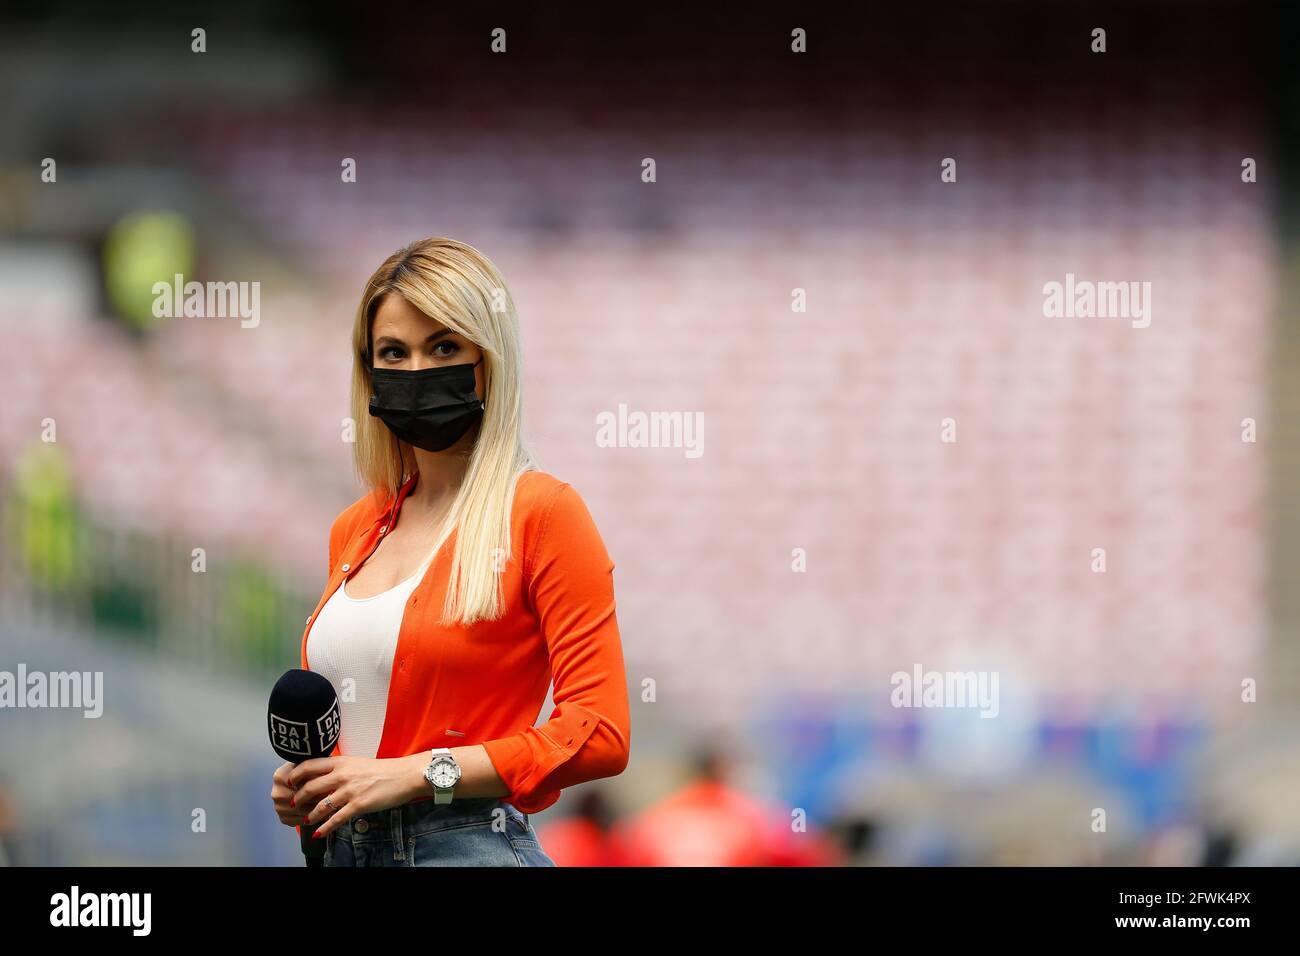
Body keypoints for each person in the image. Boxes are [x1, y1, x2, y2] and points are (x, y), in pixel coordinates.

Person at [269, 238, 631, 866]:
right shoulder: (353, 528)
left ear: (487, 361)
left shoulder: (543, 513)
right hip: (343, 851)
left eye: (442, 347)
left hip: (465, 844)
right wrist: (318, 783)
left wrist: (417, 774)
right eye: (392, 352)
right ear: (368, 372)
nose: (415, 371)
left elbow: (601, 731)